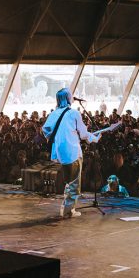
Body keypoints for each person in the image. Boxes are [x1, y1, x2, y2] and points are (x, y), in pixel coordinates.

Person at [41, 88, 103, 218]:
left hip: (60, 152)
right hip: (73, 151)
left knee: (68, 181)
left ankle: (66, 208)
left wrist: (57, 138)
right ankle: (68, 211)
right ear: (68, 98)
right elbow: (84, 133)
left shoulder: (53, 114)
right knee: (74, 183)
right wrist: (95, 138)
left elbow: (45, 130)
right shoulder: (74, 113)